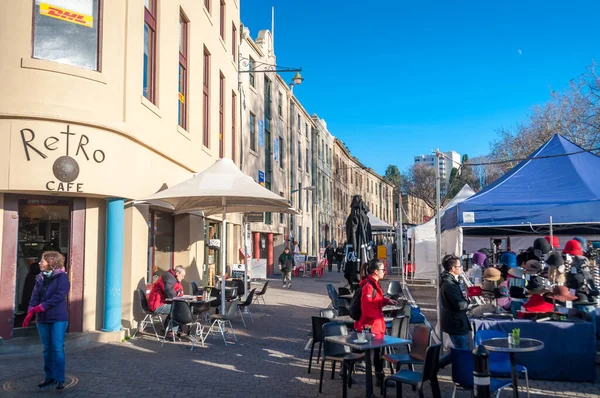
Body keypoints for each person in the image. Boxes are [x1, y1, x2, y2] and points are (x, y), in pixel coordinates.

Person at [22, 251, 71, 390]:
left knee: (57, 348)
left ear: (51, 262)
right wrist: (31, 310)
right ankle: (49, 376)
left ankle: (60, 379)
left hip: (58, 318)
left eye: (42, 260)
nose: (39, 263)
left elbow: (59, 296)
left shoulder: (62, 277)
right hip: (42, 319)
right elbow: (34, 295)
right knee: (47, 349)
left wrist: (42, 307)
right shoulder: (40, 277)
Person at [354, 259, 397, 387]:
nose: (385, 271)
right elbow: (367, 308)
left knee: (376, 353)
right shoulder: (369, 286)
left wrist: (386, 301)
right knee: (371, 353)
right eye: (383, 269)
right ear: (376, 271)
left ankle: (379, 378)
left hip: (374, 325)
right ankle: (376, 379)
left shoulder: (373, 284)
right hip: (370, 327)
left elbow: (375, 300)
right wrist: (374, 320)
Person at [440, 254, 470, 350]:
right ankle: (436, 363)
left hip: (454, 320)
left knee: (459, 350)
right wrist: (468, 302)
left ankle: (437, 363)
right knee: (461, 351)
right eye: (459, 266)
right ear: (453, 268)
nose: (461, 268)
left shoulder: (449, 281)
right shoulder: (450, 283)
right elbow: (459, 305)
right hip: (455, 321)